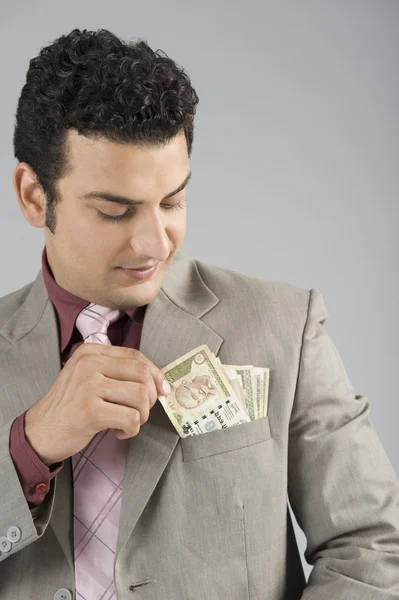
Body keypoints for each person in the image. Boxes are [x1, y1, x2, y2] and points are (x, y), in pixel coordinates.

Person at [0, 27, 398, 600]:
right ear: (35, 197)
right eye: (115, 210)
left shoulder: (285, 324)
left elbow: (373, 546)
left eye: (172, 201)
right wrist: (29, 447)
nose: (154, 242)